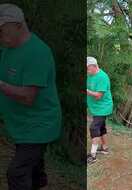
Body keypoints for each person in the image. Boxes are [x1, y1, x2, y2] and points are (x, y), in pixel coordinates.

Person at [0, 3, 61, 190]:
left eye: (1, 29)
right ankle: (38, 179)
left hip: (38, 126)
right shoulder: (8, 47)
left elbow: (28, 97)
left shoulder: (37, 53)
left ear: (18, 25)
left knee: (17, 173)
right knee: (32, 171)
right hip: (21, 124)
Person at [86, 56, 113, 164]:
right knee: (101, 127)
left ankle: (93, 155)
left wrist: (86, 91)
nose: (86, 71)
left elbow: (98, 95)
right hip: (95, 107)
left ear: (94, 66)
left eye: (87, 68)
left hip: (103, 107)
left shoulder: (103, 77)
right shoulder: (89, 74)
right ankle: (105, 148)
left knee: (94, 127)